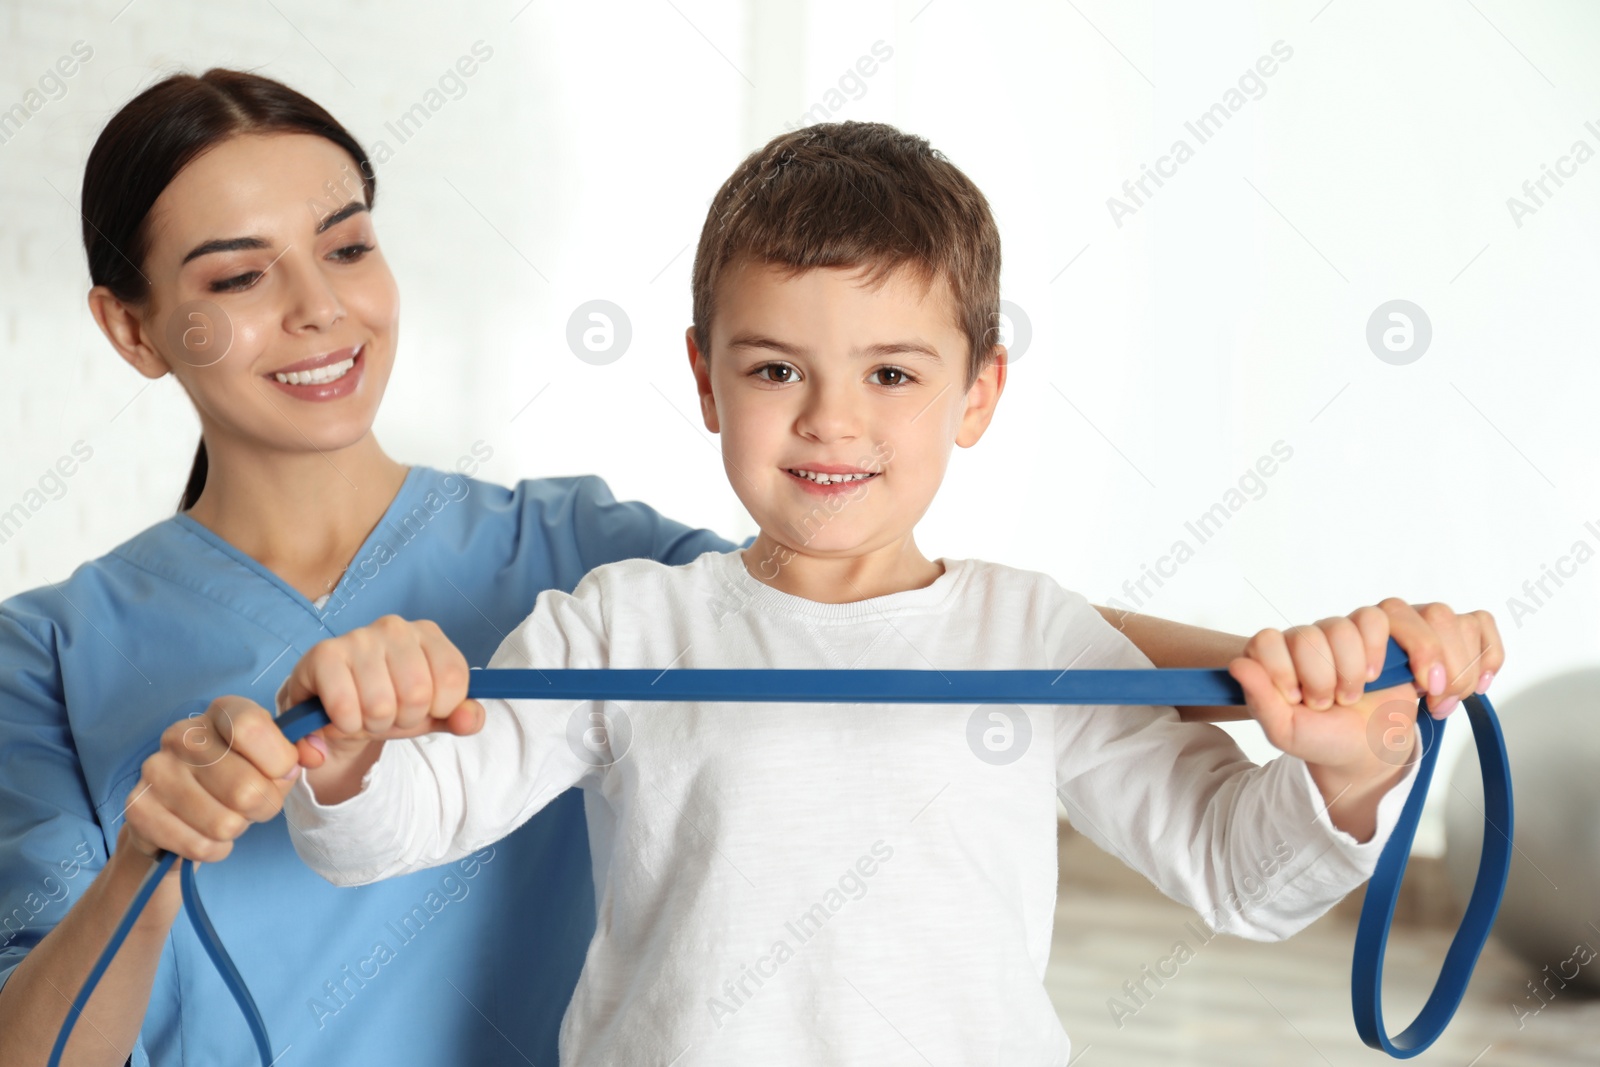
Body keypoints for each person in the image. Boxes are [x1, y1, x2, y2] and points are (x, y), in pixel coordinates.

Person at [0, 73, 1398, 1067]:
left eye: (347, 243)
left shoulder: (600, 557)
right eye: (237, 275)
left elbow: (881, 634)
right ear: (130, 329)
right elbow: (380, 827)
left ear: (976, 391)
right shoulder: (614, 614)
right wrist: (306, 776)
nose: (317, 305)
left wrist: (1318, 695)